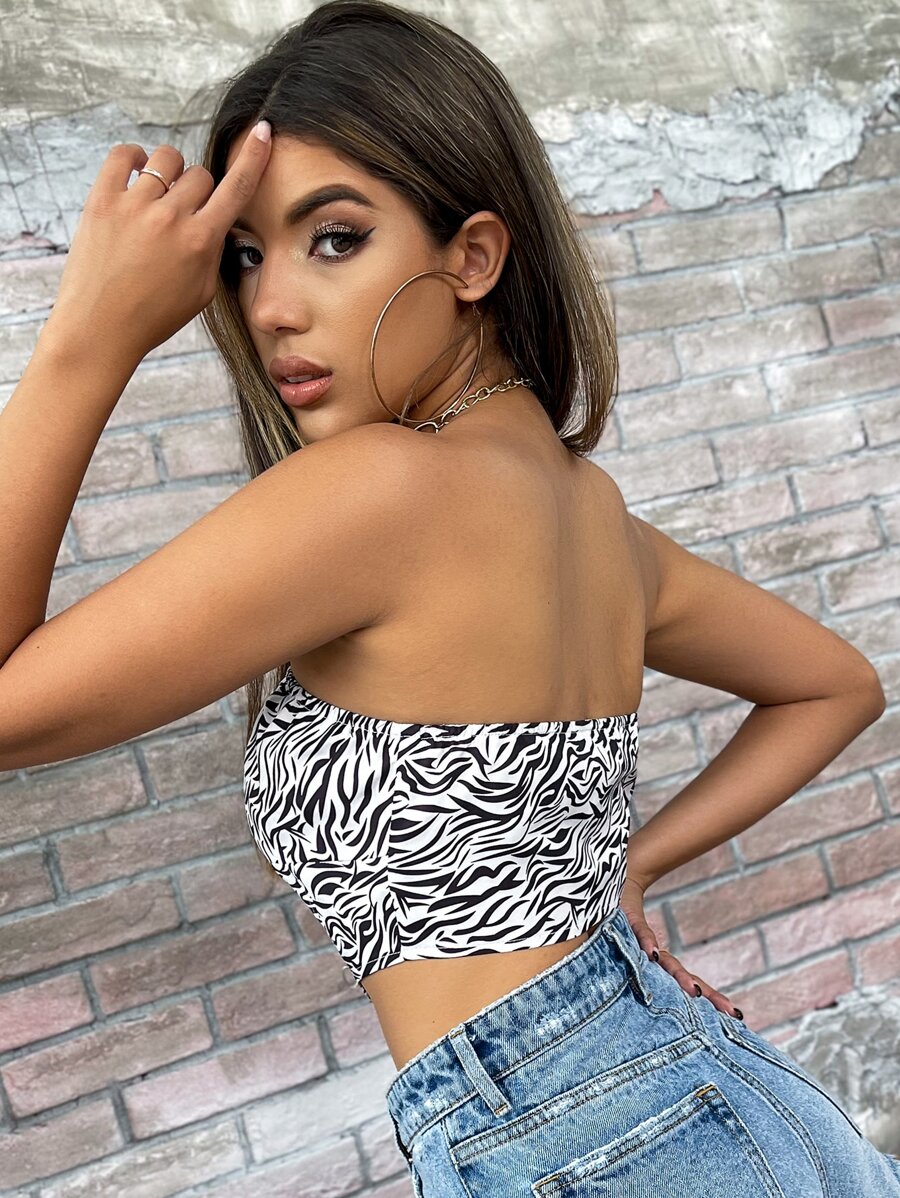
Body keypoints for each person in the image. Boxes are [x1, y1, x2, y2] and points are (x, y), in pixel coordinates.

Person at [1, 1, 897, 1194]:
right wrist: (626, 871)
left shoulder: (382, 493)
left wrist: (87, 338)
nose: (268, 308)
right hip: (736, 1101)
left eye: (334, 238)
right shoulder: (596, 518)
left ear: (472, 256)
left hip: (582, 1136)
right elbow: (837, 684)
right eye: (247, 255)